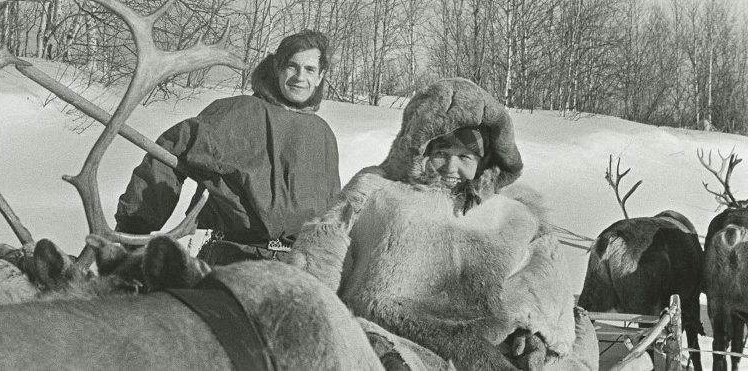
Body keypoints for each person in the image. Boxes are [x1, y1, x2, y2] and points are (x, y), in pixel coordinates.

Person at [287, 78, 599, 371]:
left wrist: (534, 337)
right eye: (441, 152)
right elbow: (319, 261)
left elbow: (541, 292)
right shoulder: (375, 193)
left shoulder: (515, 216)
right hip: (389, 344)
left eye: (465, 155)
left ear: (485, 160)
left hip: (485, 353)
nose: (451, 166)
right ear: (419, 150)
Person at [115, 29, 341, 266]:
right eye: (292, 66)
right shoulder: (237, 113)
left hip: (296, 266)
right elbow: (170, 151)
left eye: (310, 69)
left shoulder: (323, 135)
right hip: (234, 258)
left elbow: (331, 214)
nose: (299, 77)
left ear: (320, 76)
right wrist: (137, 224)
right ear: (277, 68)